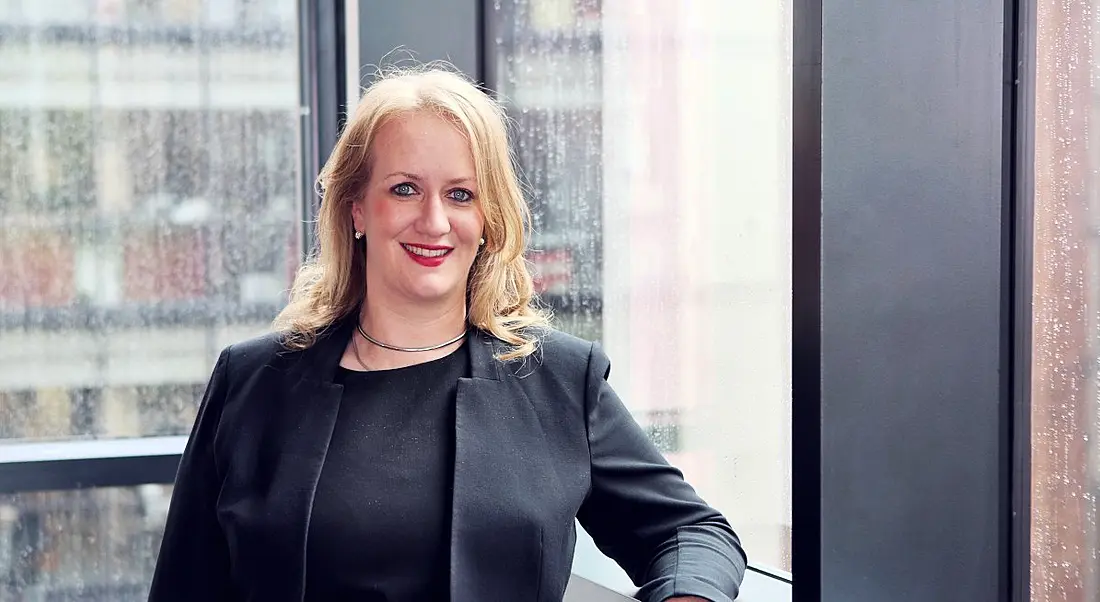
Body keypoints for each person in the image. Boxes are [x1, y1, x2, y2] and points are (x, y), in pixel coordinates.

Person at [147, 64, 746, 602]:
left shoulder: (560, 380)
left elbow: (693, 533)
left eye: (460, 195)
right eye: (404, 188)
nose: (434, 221)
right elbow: (184, 585)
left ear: (487, 220)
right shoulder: (252, 382)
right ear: (357, 208)